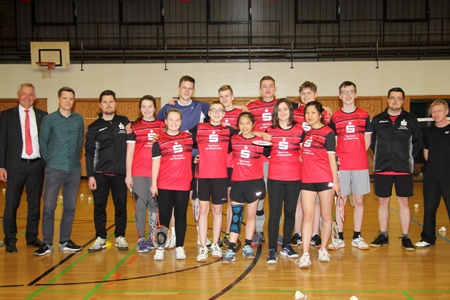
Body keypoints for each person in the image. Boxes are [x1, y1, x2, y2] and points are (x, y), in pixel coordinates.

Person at [156, 75, 210, 248]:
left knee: (195, 200)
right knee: (174, 201)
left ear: (193, 90)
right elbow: (155, 126)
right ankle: (171, 233)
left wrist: (242, 106)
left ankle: (200, 234)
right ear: (178, 88)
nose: (187, 91)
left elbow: (222, 109)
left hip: (195, 159)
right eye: (184, 87)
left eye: (190, 88)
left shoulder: (201, 106)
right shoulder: (168, 108)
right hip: (173, 161)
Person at [34, 87, 84, 256]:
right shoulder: (49, 120)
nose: (68, 101)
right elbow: (43, 143)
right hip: (55, 168)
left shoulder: (78, 119)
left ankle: (65, 241)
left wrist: (73, 160)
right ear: (59, 99)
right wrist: (52, 161)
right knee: (49, 206)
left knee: (70, 207)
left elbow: (79, 144)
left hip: (74, 169)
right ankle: (47, 243)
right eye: (65, 98)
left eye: (71, 98)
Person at [369, 87, 421, 251]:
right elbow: (372, 142)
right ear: (387, 99)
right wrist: (383, 155)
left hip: (403, 168)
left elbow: (417, 142)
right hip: (382, 168)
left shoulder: (411, 120)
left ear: (403, 101)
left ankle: (405, 237)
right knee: (383, 202)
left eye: (399, 98)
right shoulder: (377, 120)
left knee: (404, 202)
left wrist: (406, 157)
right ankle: (383, 235)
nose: (395, 101)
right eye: (392, 98)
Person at [0, 83, 47, 253]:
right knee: (11, 203)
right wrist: (1, 166)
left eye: (30, 94)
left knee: (34, 204)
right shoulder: (6, 116)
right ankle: (10, 239)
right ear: (18, 95)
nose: (27, 97)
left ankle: (32, 236)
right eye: (24, 94)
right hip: (15, 166)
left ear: (35, 97)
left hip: (36, 165)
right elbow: (2, 142)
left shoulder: (43, 116)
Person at [190, 101, 238, 261]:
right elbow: (179, 135)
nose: (217, 113)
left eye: (220, 110)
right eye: (213, 110)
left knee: (218, 211)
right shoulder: (199, 128)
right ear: (208, 113)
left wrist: (263, 134)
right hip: (202, 176)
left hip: (220, 177)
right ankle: (203, 246)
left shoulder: (228, 131)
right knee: (203, 211)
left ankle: (215, 244)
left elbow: (247, 133)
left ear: (224, 114)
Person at [328, 81, 371, 250]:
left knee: (359, 200)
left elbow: (366, 141)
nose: (348, 95)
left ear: (356, 94)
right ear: (339, 96)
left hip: (360, 165)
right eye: (344, 92)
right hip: (342, 166)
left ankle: (357, 236)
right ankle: (339, 237)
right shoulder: (335, 118)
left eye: (351, 91)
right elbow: (335, 142)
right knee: (341, 201)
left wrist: (357, 154)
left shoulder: (364, 115)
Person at [85, 90, 131, 252]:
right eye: (105, 102)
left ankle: (120, 236)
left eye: (111, 101)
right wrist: (90, 175)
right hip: (100, 174)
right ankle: (100, 237)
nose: (108, 105)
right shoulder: (93, 127)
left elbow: (133, 143)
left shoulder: (124, 122)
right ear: (100, 105)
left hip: (120, 174)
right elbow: (89, 152)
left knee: (121, 206)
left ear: (115, 104)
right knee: (99, 206)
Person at [222, 112, 270, 264]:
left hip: (254, 183)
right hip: (238, 183)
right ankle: (231, 248)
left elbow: (270, 154)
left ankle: (248, 246)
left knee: (251, 216)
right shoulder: (233, 140)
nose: (244, 126)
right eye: (241, 123)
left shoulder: (261, 142)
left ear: (253, 124)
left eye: (247, 123)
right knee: (236, 217)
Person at [297, 101, 340, 268]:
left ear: (321, 114)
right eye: (307, 112)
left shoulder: (328, 133)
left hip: (324, 179)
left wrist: (335, 182)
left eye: (313, 112)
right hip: (307, 180)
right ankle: (306, 254)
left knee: (326, 216)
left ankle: (323, 249)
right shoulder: (305, 134)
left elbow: (331, 158)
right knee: (308, 216)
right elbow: (302, 154)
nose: (309, 115)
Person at [150, 109, 193, 261]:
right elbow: (155, 163)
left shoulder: (188, 137)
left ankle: (180, 247)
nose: (174, 123)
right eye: (171, 120)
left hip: (183, 184)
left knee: (181, 216)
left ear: (181, 122)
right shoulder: (159, 140)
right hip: (164, 184)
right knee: (164, 217)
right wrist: (153, 184)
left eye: (177, 120)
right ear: (166, 122)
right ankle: (160, 246)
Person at [125, 95, 165, 253]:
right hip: (139, 171)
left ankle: (152, 236)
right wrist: (128, 175)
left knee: (154, 205)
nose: (147, 109)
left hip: (157, 172)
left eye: (150, 106)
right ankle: (141, 238)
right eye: (144, 106)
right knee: (141, 204)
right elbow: (129, 153)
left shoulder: (163, 126)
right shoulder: (134, 127)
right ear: (140, 109)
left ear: (155, 108)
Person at [266, 99, 303, 264]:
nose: (282, 112)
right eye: (279, 110)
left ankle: (287, 245)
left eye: (285, 109)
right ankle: (272, 249)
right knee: (274, 214)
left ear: (290, 111)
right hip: (275, 177)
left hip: (294, 177)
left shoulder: (300, 130)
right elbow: (264, 150)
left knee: (290, 212)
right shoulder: (269, 130)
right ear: (275, 112)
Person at [291, 81, 324, 248]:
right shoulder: (294, 113)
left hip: (316, 166)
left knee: (316, 202)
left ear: (315, 94)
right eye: (303, 93)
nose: (306, 96)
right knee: (298, 201)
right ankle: (298, 233)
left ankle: (315, 234)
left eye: (309, 93)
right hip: (297, 164)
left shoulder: (321, 114)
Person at [246, 76, 278, 247]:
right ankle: (259, 231)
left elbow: (305, 106)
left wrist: (324, 106)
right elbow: (238, 114)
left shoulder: (283, 104)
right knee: (258, 197)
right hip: (258, 159)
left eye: (270, 86)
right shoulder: (252, 106)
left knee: (276, 197)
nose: (267, 89)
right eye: (264, 86)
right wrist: (260, 134)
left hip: (279, 160)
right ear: (259, 89)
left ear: (275, 89)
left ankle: (276, 232)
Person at [416, 99, 450, 247]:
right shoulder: (428, 131)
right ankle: (427, 238)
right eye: (433, 112)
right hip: (431, 177)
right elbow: (426, 154)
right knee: (429, 208)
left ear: (447, 111)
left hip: (448, 178)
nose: (436, 114)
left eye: (439, 111)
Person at [218, 85, 243, 247]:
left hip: (233, 164)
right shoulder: (215, 113)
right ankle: (218, 234)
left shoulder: (240, 114)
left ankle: (228, 233)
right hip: (217, 165)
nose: (224, 99)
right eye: (221, 96)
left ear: (233, 96)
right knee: (219, 203)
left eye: (227, 96)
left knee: (232, 200)